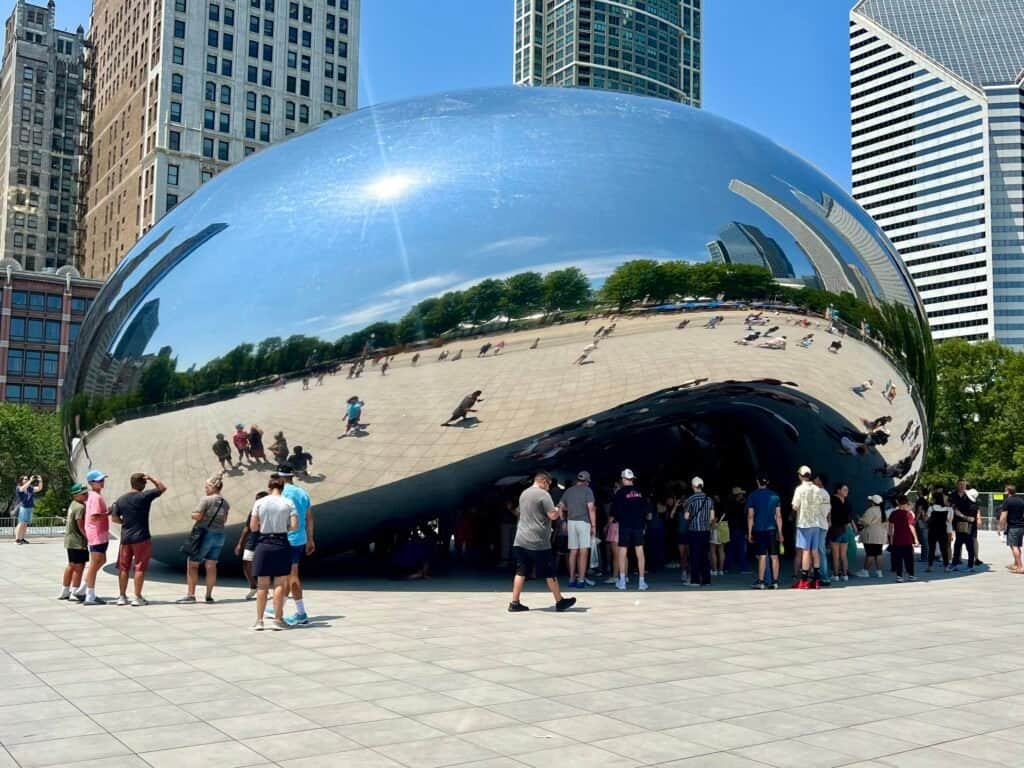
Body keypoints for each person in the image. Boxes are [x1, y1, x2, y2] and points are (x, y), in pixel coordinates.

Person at [508, 472, 576, 613]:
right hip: (538, 541)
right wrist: (559, 508)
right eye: (548, 485)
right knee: (550, 572)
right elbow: (552, 515)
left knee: (521, 571)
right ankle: (560, 601)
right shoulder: (543, 495)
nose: (548, 488)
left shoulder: (524, 494)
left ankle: (514, 603)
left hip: (520, 540)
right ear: (544, 481)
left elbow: (519, 513)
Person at [110, 472, 166, 606]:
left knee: (123, 568)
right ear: (141, 483)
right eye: (144, 482)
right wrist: (152, 477)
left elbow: (114, 518)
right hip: (141, 537)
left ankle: (122, 596)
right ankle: (137, 597)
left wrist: (125, 522)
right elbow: (162, 488)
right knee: (140, 568)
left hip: (125, 538)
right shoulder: (144, 496)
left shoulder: (121, 499)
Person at [250, 478, 299, 631]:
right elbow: (294, 525)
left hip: (264, 543)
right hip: (281, 542)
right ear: (282, 487)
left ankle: (259, 620)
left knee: (262, 585)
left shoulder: (259, 502)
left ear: (269, 487)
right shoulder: (288, 503)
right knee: (279, 583)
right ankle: (278, 619)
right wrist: (283, 527)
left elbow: (253, 527)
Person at [179, 476, 230, 603]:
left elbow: (198, 515)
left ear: (213, 487)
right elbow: (224, 520)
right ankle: (208, 595)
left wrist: (193, 514)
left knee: (193, 564)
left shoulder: (206, 500)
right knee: (211, 565)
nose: (205, 489)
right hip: (220, 535)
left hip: (205, 534)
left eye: (207, 486)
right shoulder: (225, 503)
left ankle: (191, 595)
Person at [279, 466, 314, 626]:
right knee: (288, 575)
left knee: (292, 576)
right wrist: (310, 539)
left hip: (287, 538)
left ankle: (301, 613)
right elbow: (309, 518)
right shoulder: (302, 493)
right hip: (300, 538)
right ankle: (279, 607)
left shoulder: (282, 493)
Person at [791, 465, 829, 589]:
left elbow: (795, 506)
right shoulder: (817, 489)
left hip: (804, 523)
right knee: (814, 551)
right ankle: (816, 580)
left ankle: (803, 580)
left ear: (800, 476)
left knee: (805, 551)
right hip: (816, 524)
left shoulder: (800, 489)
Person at [559, 471, 597, 588]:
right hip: (584, 523)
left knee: (573, 551)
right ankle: (580, 580)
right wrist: (594, 526)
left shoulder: (568, 491)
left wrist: (562, 521)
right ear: (586, 481)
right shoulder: (587, 490)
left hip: (571, 523)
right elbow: (591, 508)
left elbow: (560, 506)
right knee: (583, 552)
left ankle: (571, 579)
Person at [612, 469, 648, 591]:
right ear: (632, 478)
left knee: (622, 553)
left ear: (622, 479)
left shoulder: (620, 492)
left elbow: (615, 512)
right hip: (638, 525)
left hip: (625, 525)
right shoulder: (640, 491)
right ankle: (642, 582)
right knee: (640, 552)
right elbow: (646, 511)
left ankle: (622, 581)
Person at [747, 476, 782, 589]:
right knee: (774, 556)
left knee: (762, 555)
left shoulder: (753, 496)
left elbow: (750, 516)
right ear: (768, 482)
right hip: (772, 529)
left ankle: (761, 581)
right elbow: (778, 516)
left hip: (759, 529)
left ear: (757, 482)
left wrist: (749, 532)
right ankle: (775, 581)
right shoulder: (775, 496)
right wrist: (780, 532)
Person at [80, 470, 110, 605]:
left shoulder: (93, 496)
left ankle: (83, 588)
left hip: (99, 533)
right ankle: (89, 595)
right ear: (92, 483)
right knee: (94, 564)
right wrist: (109, 512)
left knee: (102, 560)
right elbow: (95, 516)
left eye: (102, 479)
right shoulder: (96, 497)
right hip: (97, 533)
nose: (102, 482)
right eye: (99, 480)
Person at [59, 482, 90, 600]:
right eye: (83, 494)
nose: (86, 495)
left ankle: (65, 590)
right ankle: (75, 591)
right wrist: (88, 537)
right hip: (78, 541)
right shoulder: (81, 507)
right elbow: (80, 525)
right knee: (79, 567)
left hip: (69, 540)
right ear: (76, 495)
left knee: (71, 565)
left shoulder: (73, 504)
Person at [235, 491, 268, 599]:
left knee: (262, 565)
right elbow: (247, 527)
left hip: (265, 541)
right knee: (246, 562)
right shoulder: (253, 511)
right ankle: (253, 586)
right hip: (252, 541)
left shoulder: (270, 512)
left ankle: (264, 589)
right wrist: (240, 543)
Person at [684, 477, 715, 586]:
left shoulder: (691, 499)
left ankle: (695, 580)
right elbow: (712, 518)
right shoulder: (709, 499)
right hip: (706, 531)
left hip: (694, 531)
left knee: (695, 555)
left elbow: (686, 516)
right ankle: (707, 580)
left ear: (693, 486)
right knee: (705, 556)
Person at [888, 495, 918, 581]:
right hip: (907, 539)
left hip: (897, 539)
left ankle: (899, 576)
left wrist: (890, 539)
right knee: (909, 558)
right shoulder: (909, 514)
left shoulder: (893, 513)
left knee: (898, 558)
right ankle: (911, 575)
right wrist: (916, 539)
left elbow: (890, 528)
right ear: (907, 502)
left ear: (898, 502)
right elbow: (911, 527)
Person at [856, 494, 887, 578]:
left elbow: (865, 522)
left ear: (873, 502)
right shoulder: (882, 510)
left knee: (870, 554)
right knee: (878, 553)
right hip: (880, 535)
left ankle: (865, 571)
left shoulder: (871, 510)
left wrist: (859, 519)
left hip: (871, 535)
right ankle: (879, 572)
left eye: (871, 501)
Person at [950, 479, 977, 571]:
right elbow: (950, 505)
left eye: (963, 485)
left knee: (968, 544)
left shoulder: (971, 500)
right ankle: (955, 563)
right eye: (960, 484)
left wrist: (961, 515)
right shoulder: (953, 495)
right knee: (958, 544)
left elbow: (972, 518)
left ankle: (970, 565)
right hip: (958, 523)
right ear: (957, 485)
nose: (962, 486)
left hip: (967, 525)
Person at [828, 483, 853, 581]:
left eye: (847, 490)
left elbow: (829, 513)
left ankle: (836, 575)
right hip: (845, 530)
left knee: (835, 555)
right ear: (838, 490)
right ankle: (845, 575)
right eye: (845, 490)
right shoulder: (847, 502)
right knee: (843, 554)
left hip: (835, 529)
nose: (847, 492)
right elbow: (849, 517)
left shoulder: (832, 500)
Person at [998, 484, 1024, 573]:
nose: (1004, 492)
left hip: (1013, 527)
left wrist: (1000, 528)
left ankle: (1020, 567)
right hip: (1021, 526)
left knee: (1014, 546)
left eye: (1005, 490)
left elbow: (1003, 516)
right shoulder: (1021, 501)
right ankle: (1016, 564)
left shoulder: (1007, 501)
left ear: (1008, 491)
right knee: (1017, 546)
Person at [926, 490, 953, 573]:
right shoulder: (948, 509)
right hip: (943, 530)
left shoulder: (931, 508)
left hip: (932, 530)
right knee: (944, 549)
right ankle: (946, 567)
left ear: (934, 499)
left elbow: (927, 519)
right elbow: (949, 520)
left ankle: (930, 567)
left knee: (931, 549)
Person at [724, 487, 748, 574]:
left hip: (731, 528)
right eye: (741, 494)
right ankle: (744, 568)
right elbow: (743, 518)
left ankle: (726, 567)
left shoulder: (729, 504)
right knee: (742, 549)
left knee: (730, 549)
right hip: (739, 529)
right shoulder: (740, 505)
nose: (742, 495)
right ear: (738, 495)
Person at [14, 474, 43, 544]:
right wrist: (30, 480)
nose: (26, 480)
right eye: (25, 479)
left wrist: (40, 481)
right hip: (23, 507)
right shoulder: (19, 487)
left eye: (27, 479)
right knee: (21, 523)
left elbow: (39, 488)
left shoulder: (30, 488)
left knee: (25, 524)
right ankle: (17, 539)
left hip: (30, 507)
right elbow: (22, 489)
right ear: (21, 480)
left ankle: (22, 538)